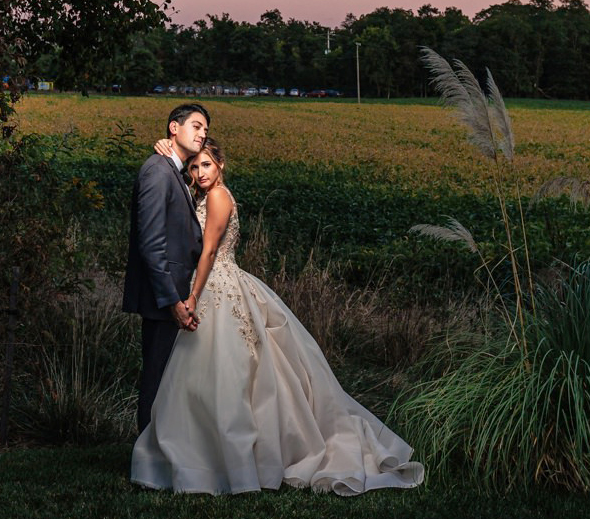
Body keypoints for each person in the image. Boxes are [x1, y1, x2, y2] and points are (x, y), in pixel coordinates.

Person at [131, 137, 425, 496]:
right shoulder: (201, 196)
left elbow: (208, 252)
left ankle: (231, 460)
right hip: (210, 284)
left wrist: (192, 295)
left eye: (206, 164)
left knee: (229, 376)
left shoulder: (220, 197)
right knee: (203, 378)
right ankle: (206, 456)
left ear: (220, 165)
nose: (199, 172)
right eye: (194, 167)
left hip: (216, 284)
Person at [122, 103, 210, 433]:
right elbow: (151, 243)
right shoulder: (157, 171)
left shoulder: (173, 171)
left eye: (206, 130)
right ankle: (147, 457)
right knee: (157, 378)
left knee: (168, 379)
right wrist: (172, 300)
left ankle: (163, 450)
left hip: (176, 295)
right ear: (174, 128)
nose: (203, 133)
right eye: (197, 126)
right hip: (165, 298)